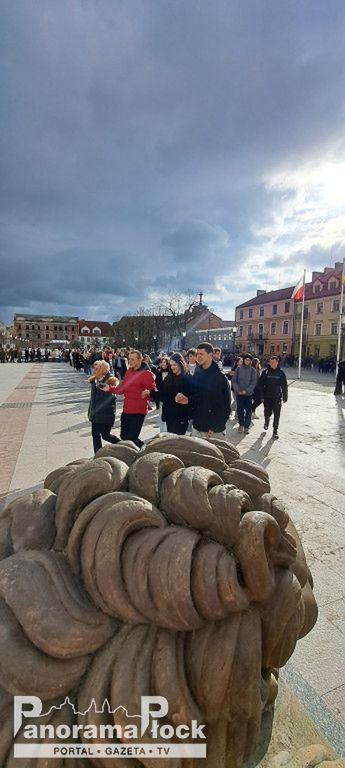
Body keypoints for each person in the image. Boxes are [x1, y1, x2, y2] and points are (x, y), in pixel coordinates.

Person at [176, 342, 231, 439]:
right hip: (197, 427)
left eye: (201, 354)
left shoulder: (220, 378)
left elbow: (225, 406)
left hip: (213, 432)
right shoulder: (197, 375)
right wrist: (187, 400)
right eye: (197, 354)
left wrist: (216, 427)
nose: (198, 356)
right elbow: (196, 399)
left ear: (210, 355)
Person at [106, 349, 156, 448]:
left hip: (138, 412)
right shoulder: (129, 371)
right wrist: (109, 388)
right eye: (129, 359)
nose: (130, 362)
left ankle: (146, 449)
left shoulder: (147, 374)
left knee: (132, 438)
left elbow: (154, 392)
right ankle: (136, 453)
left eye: (132, 359)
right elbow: (121, 389)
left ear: (139, 360)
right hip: (127, 410)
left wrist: (148, 393)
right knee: (124, 436)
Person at [88, 360, 120, 454]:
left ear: (102, 369)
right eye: (94, 367)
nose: (94, 369)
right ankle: (98, 455)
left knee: (106, 435)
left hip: (105, 414)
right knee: (95, 435)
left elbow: (112, 398)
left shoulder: (111, 380)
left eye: (96, 368)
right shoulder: (94, 379)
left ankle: (122, 445)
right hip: (95, 413)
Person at [258, 355, 288, 439]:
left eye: (274, 362)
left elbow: (284, 385)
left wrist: (285, 396)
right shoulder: (265, 372)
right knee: (267, 412)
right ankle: (266, 421)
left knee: (277, 414)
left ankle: (275, 430)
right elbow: (260, 385)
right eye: (271, 362)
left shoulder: (281, 372)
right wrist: (262, 396)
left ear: (277, 363)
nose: (272, 363)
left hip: (277, 397)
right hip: (267, 397)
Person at [161, 353, 191, 435]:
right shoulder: (168, 377)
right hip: (169, 415)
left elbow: (193, 397)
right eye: (171, 365)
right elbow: (163, 395)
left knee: (178, 441)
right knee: (171, 439)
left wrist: (185, 398)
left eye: (174, 365)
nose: (172, 367)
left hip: (181, 416)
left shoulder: (188, 378)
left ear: (180, 364)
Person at [231, 353, 257, 434]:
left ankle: (246, 426)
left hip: (248, 394)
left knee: (248, 410)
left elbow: (253, 382)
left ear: (251, 361)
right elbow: (234, 381)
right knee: (240, 410)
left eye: (249, 360)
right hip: (239, 393)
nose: (247, 361)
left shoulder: (253, 370)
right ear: (244, 360)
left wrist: (247, 390)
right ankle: (241, 425)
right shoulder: (238, 369)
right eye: (246, 359)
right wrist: (238, 390)